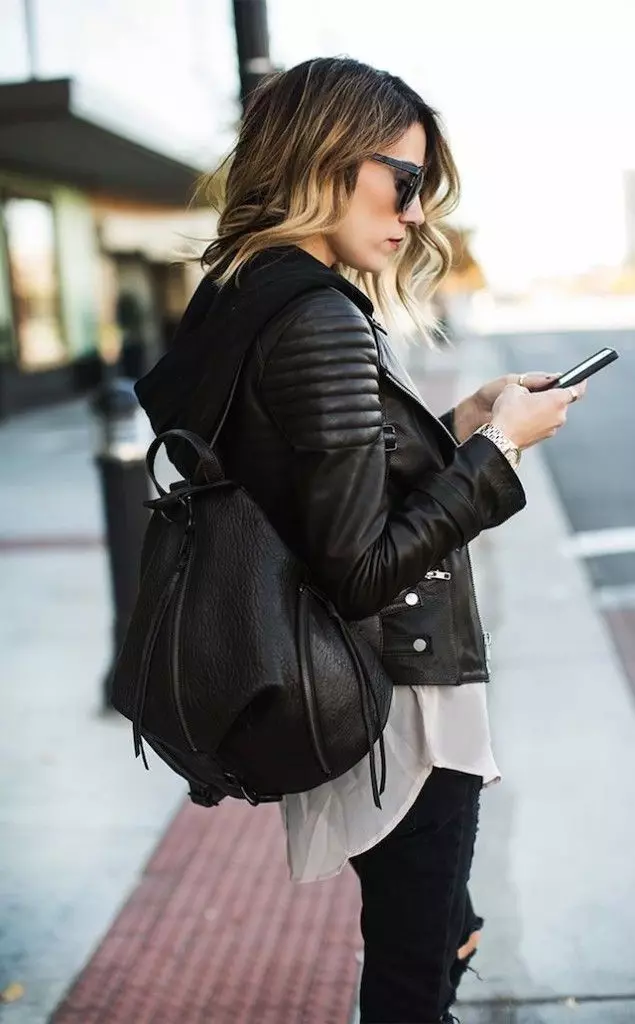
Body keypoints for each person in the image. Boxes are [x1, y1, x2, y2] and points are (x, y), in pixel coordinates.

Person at [135, 57, 585, 1024]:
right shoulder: (319, 319)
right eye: (406, 181)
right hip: (399, 702)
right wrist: (501, 450)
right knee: (412, 973)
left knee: (431, 929)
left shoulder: (240, 298)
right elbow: (362, 568)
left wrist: (456, 429)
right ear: (327, 158)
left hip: (335, 686)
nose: (416, 212)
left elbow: (316, 489)